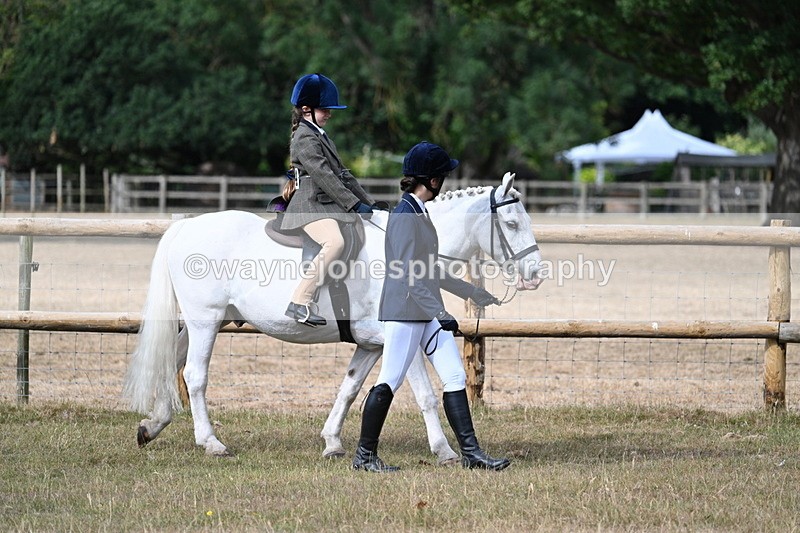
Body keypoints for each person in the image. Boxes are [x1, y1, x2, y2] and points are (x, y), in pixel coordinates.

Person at [352, 141, 509, 472]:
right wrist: (440, 313)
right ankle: (364, 456)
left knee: (453, 376)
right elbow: (409, 274)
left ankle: (472, 454)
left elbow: (430, 270)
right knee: (390, 379)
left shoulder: (419, 212)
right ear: (433, 180)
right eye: (443, 176)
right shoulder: (405, 216)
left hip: (424, 310)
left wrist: (471, 291)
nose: (445, 182)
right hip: (405, 312)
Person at [280, 73, 376, 327]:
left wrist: (369, 202)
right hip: (309, 204)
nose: (330, 114)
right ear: (306, 110)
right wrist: (352, 204)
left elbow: (343, 174)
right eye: (325, 109)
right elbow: (323, 175)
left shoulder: (321, 134)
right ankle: (300, 302)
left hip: (323, 203)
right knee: (334, 242)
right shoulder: (304, 136)